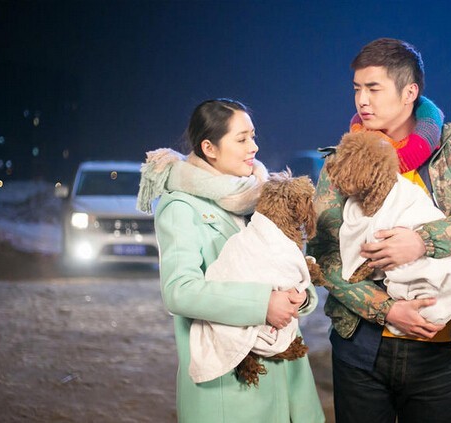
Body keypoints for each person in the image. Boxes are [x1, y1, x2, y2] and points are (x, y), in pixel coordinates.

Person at [308, 38, 451, 423]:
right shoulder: (343, 161)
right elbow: (324, 254)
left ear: (409, 92)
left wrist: (423, 240)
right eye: (357, 88)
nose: (361, 101)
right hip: (361, 347)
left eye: (374, 88)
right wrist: (387, 310)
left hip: (439, 351)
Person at [136, 98, 325, 423]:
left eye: (253, 136)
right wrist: (262, 304)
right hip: (232, 385)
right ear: (209, 148)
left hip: (288, 375)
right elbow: (179, 291)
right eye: (241, 139)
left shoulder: (262, 197)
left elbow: (287, 266)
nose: (254, 147)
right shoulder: (181, 207)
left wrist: (302, 296)